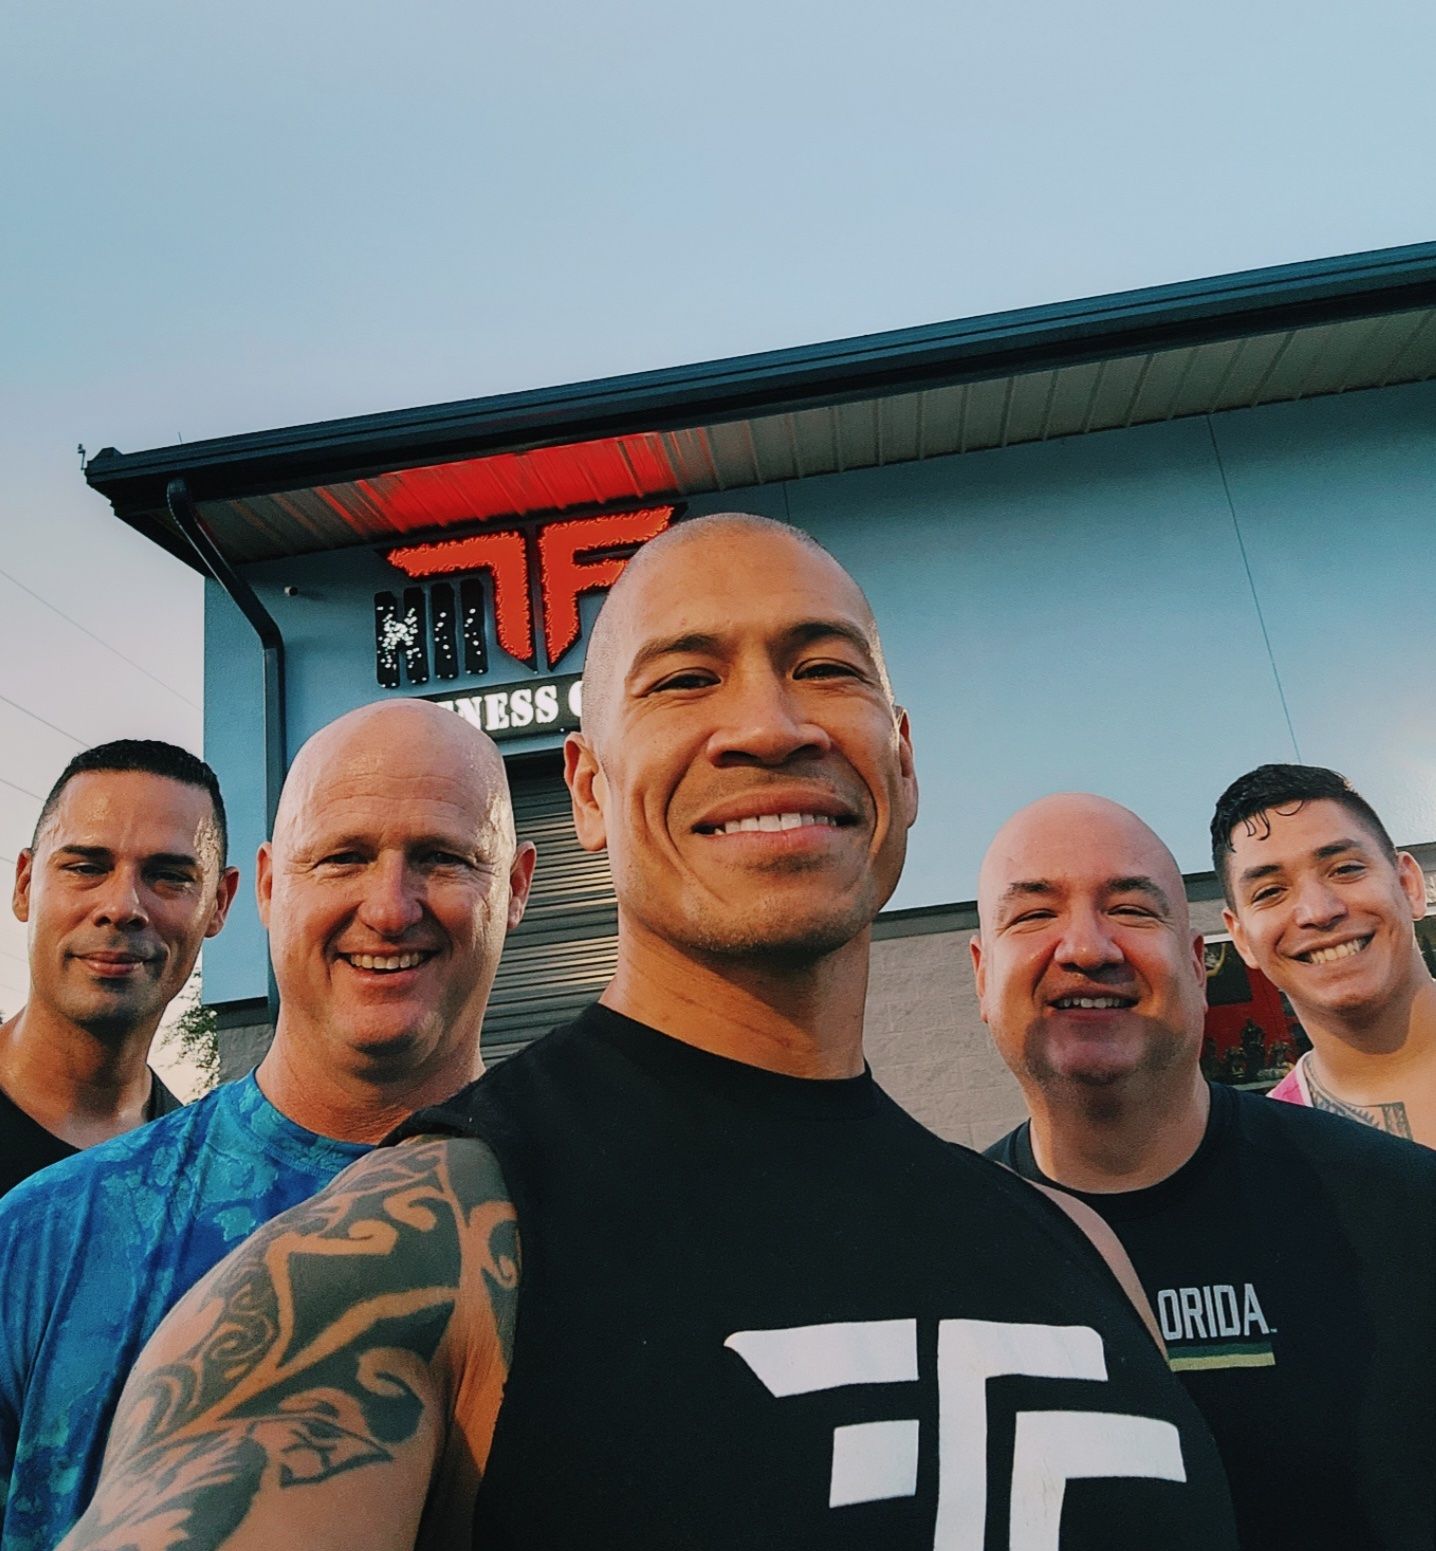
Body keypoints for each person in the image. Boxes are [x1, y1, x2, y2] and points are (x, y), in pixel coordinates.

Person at [65, 515, 1235, 1551]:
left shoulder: (1076, 1250)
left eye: (823, 667)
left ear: (903, 760)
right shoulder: (399, 1264)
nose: (770, 727)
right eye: (683, 681)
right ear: (582, 791)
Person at [0, 700, 534, 1551]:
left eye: (441, 857)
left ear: (513, 886)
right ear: (272, 885)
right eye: (343, 857)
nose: (390, 907)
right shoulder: (43, 1234)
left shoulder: (596, 1216)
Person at [978, 792, 1436, 1551]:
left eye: (1130, 907)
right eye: (1033, 914)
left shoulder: (1403, 1207)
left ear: (1199, 963)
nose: (1087, 947)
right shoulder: (933, 1255)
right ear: (980, 971)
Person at [0, 740, 239, 1197]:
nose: (121, 906)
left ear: (218, 904)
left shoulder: (209, 1188)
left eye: (169, 876)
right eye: (87, 867)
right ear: (25, 885)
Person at [1212, 762, 1436, 1142]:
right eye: (1269, 892)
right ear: (1242, 939)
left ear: (1409, 885)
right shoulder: (1269, 1160)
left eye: (1345, 869)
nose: (1318, 911)